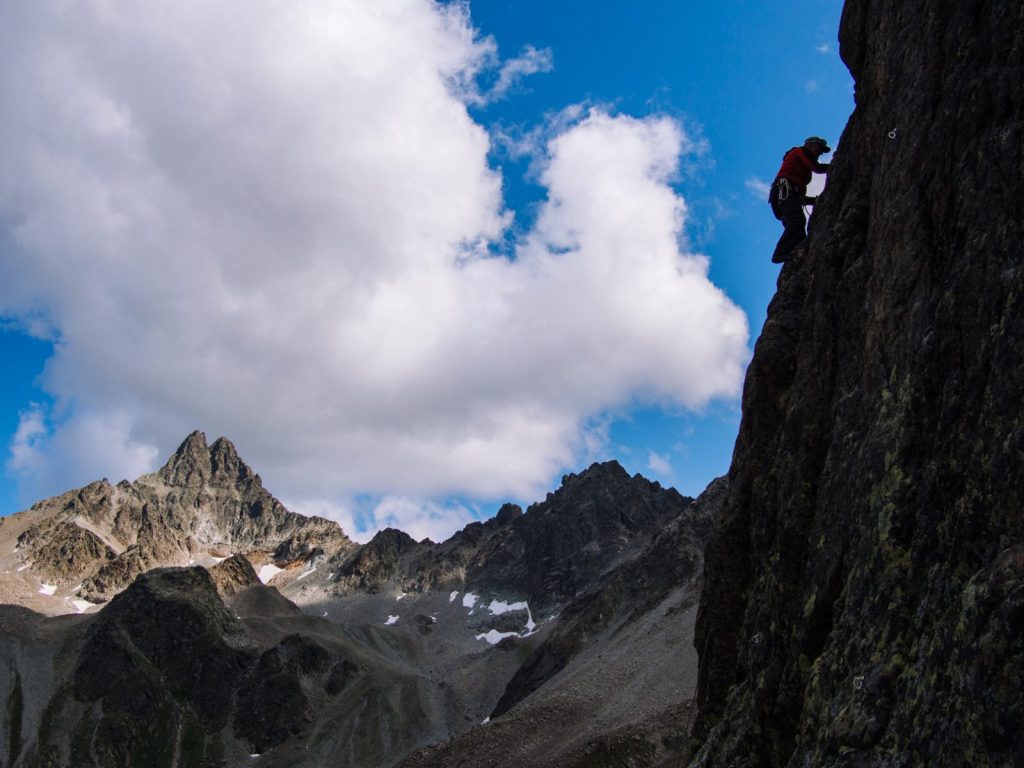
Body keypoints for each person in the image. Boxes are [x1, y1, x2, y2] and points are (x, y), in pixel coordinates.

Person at [769, 136, 831, 263]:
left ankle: (795, 257)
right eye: (819, 149)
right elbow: (817, 168)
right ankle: (780, 253)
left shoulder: (798, 166)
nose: (820, 153)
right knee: (797, 221)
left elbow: (797, 197)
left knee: (800, 234)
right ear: (810, 145)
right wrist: (834, 165)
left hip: (783, 196)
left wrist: (814, 201)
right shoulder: (799, 152)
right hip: (784, 192)